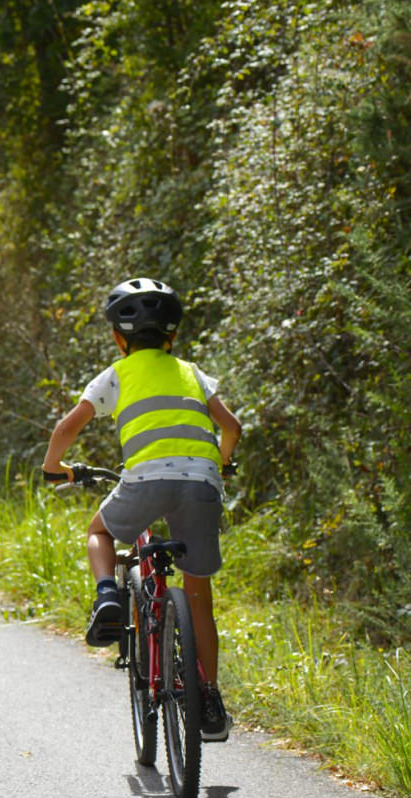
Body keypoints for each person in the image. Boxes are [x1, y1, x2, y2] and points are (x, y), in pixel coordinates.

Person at [41, 277, 242, 742]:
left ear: (118, 337)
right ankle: (208, 698)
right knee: (200, 599)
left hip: (145, 477)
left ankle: (108, 594)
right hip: (200, 481)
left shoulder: (115, 374)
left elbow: (66, 426)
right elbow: (230, 427)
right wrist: (223, 462)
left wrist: (56, 468)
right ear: (172, 336)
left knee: (101, 532)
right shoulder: (192, 373)